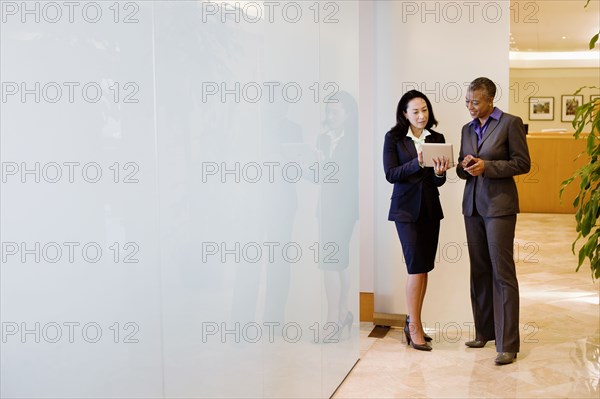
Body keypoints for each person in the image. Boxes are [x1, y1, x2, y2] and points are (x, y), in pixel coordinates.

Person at [456, 77, 531, 365]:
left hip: (499, 207)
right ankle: (484, 332)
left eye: (475, 102)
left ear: (490, 100)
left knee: (502, 273)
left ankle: (508, 344)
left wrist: (488, 167)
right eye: (467, 101)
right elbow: (465, 167)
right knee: (479, 270)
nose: (470, 107)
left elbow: (522, 164)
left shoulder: (510, 123)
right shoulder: (466, 129)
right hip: (472, 207)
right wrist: (464, 166)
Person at [383, 90, 450, 351]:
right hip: (405, 211)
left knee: (424, 267)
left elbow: (437, 181)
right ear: (404, 114)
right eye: (416, 111)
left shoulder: (437, 138)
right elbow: (390, 173)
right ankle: (414, 328)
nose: (422, 115)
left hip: (431, 209)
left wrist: (440, 173)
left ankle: (414, 320)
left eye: (425, 110)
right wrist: (417, 162)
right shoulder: (394, 138)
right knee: (415, 267)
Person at [316, 91, 359, 341]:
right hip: (326, 208)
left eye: (335, 112)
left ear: (347, 114)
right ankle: (343, 313)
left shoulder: (354, 140)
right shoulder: (322, 139)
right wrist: (313, 164)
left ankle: (332, 320)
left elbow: (350, 176)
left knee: (330, 261)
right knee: (337, 261)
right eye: (328, 111)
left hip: (344, 208)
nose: (330, 116)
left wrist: (329, 165)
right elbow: (317, 177)